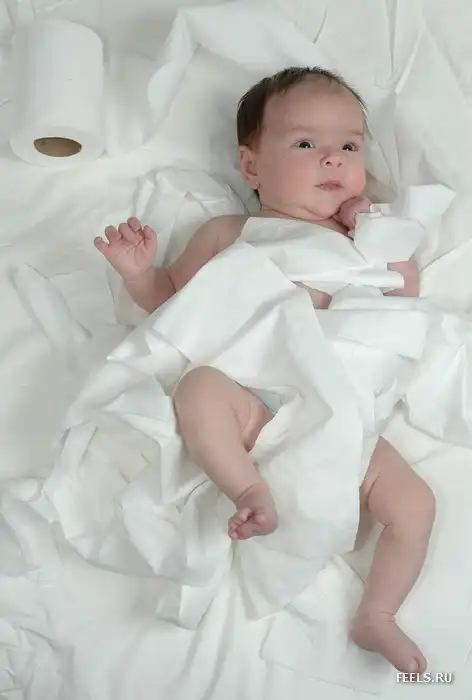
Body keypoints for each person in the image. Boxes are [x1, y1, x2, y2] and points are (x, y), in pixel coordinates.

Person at [94, 67, 434, 674]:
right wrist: (140, 273)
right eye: (306, 143)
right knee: (199, 390)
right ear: (251, 167)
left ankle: (377, 613)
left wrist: (379, 238)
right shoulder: (231, 233)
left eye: (349, 145)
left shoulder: (363, 239)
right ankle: (248, 488)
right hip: (257, 402)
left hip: (341, 417)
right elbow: (172, 303)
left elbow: (402, 301)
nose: (332, 158)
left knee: (415, 505)